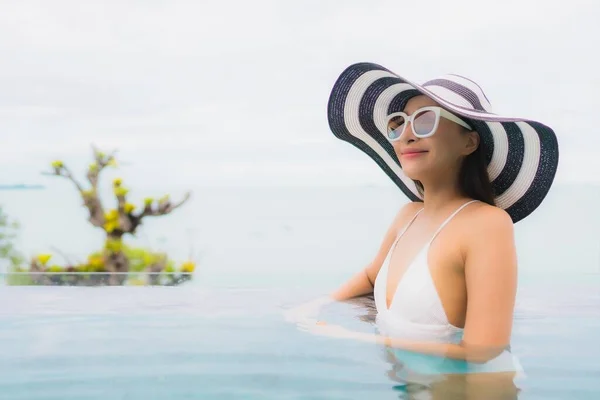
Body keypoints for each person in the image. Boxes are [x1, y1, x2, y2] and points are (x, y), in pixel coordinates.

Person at [285, 62, 559, 377]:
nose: (407, 135)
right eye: (398, 123)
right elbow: (371, 276)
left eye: (425, 120)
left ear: (469, 142)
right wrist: (317, 305)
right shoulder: (408, 216)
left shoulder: (486, 225)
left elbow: (485, 351)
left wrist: (346, 335)